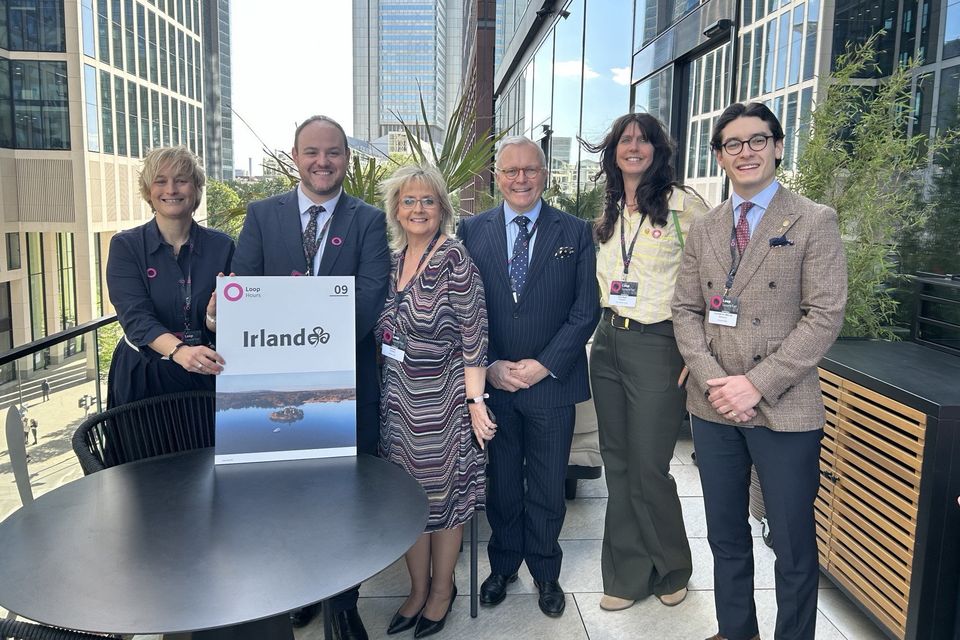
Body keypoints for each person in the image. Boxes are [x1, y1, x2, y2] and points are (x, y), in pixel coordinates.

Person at [672, 102, 847, 640]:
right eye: (732, 144)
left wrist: (756, 384)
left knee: (792, 540)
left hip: (785, 404)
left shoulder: (814, 219)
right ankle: (736, 630)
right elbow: (684, 310)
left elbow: (825, 316)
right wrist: (712, 380)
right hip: (714, 404)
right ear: (720, 156)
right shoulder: (705, 227)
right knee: (725, 533)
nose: (745, 152)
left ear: (776, 146)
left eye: (756, 140)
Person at [229, 115, 390, 638]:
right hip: (274, 385)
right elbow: (246, 292)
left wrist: (313, 340)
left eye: (334, 152)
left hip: (348, 381)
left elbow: (370, 297)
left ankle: (344, 602)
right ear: (295, 157)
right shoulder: (260, 216)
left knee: (347, 497)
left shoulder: (367, 220)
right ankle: (300, 590)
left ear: (347, 158)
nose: (323, 162)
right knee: (290, 495)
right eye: (312, 152)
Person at [458, 136, 600, 617]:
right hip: (494, 384)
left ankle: (545, 571)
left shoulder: (575, 231)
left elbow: (585, 311)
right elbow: (465, 310)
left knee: (546, 486)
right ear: (497, 177)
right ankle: (503, 566)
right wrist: (492, 365)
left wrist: (543, 364)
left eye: (530, 170)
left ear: (545, 174)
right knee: (501, 483)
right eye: (510, 171)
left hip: (552, 384)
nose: (521, 179)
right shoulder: (471, 230)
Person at [581, 113, 709, 612]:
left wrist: (699, 354)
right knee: (617, 463)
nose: (633, 147)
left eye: (643, 140)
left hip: (660, 346)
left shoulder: (684, 206)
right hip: (608, 341)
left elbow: (718, 280)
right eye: (624, 140)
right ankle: (627, 573)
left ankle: (672, 567)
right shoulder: (612, 210)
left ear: (659, 149)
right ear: (613, 151)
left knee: (650, 466)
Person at [376, 166, 490, 638]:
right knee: (407, 505)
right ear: (395, 210)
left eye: (427, 201)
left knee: (443, 506)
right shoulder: (391, 259)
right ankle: (416, 589)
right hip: (397, 406)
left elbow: (475, 333)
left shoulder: (454, 258)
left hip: (442, 407)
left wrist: (476, 401)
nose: (418, 209)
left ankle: (442, 591)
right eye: (408, 201)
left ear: (442, 207)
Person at [106, 146, 234, 407]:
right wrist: (179, 351)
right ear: (148, 191)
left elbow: (232, 320)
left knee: (204, 448)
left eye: (182, 180)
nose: (171, 189)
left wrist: (213, 318)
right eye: (160, 181)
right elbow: (136, 317)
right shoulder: (126, 246)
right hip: (145, 375)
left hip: (206, 373)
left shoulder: (223, 247)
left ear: (196, 189)